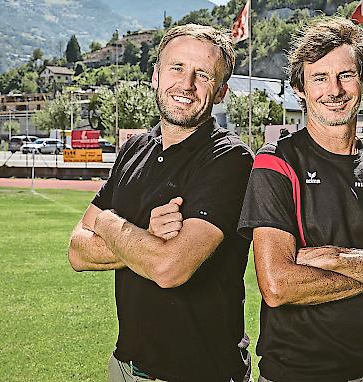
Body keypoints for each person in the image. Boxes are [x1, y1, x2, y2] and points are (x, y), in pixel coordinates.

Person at [237, 17, 363, 382]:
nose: (334, 90)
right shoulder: (276, 163)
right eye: (319, 77)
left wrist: (336, 257)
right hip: (296, 373)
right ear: (300, 88)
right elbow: (277, 285)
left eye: (345, 75)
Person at [68, 24, 253, 382]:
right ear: (155, 75)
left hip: (202, 372)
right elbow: (77, 251)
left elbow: (170, 268)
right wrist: (142, 237)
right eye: (177, 68)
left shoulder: (230, 159)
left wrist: (107, 223)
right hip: (125, 368)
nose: (186, 84)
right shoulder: (134, 149)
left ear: (220, 93)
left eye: (203, 74)